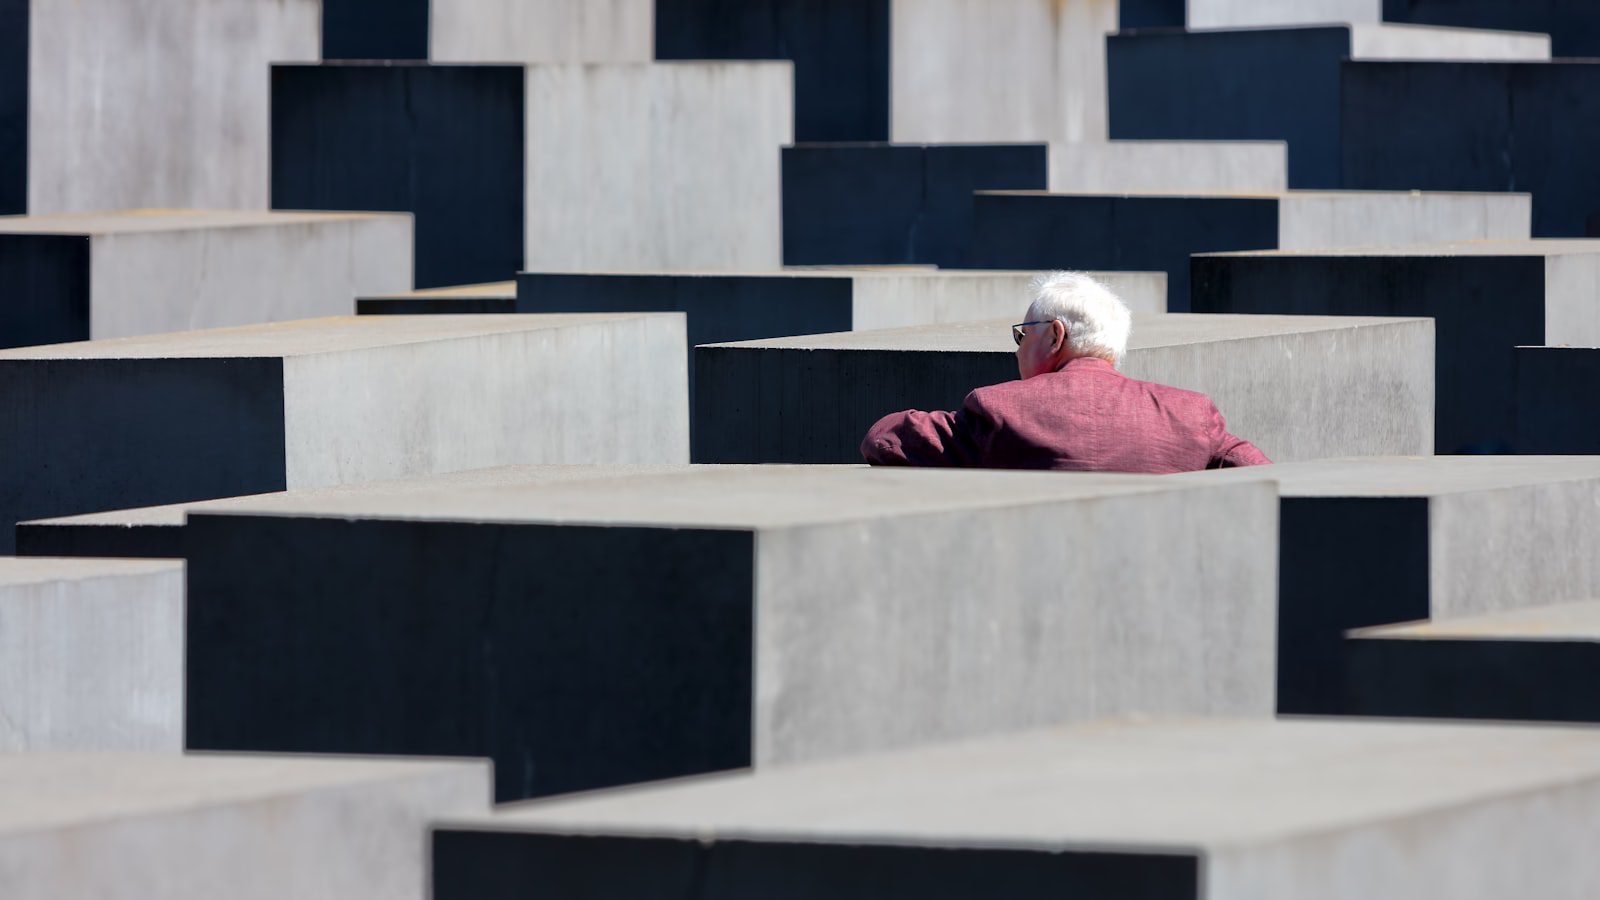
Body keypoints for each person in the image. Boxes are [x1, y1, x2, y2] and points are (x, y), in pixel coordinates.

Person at [860, 272, 1270, 473]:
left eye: (1023, 334)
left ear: (1055, 336)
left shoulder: (999, 409)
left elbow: (884, 438)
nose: (1018, 348)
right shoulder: (1190, 413)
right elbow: (1264, 474)